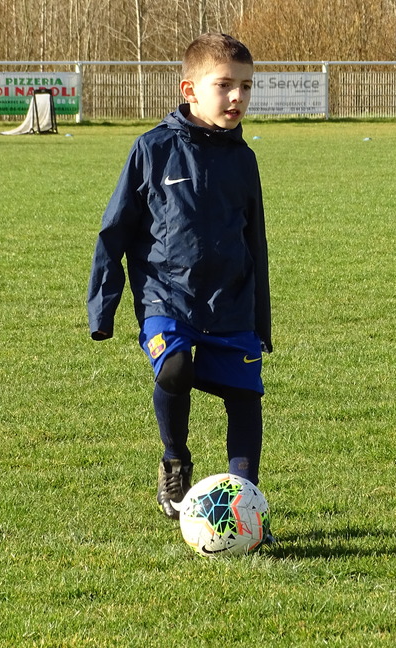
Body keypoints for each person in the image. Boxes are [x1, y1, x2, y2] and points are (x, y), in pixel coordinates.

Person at [87, 33, 272, 523]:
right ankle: (175, 462)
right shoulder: (153, 149)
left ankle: (244, 507)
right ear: (189, 90)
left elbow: (255, 244)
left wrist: (260, 321)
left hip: (230, 303)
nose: (237, 97)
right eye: (224, 85)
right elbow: (114, 232)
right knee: (174, 368)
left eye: (246, 86)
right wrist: (102, 309)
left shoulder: (244, 160)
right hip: (165, 299)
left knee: (246, 397)